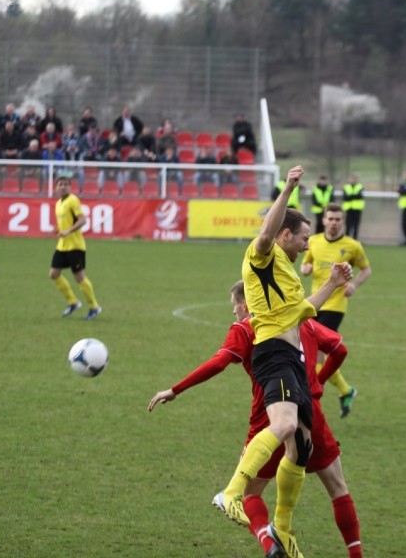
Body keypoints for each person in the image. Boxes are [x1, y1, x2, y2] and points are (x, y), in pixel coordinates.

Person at [147, 281, 364, 558]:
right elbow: (340, 350)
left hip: (269, 416)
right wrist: (314, 387)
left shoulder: (247, 328)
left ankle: (267, 540)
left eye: (234, 307)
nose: (234, 314)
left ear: (246, 305)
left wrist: (175, 389)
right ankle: (350, 553)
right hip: (311, 414)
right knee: (337, 487)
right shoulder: (302, 322)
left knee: (251, 494)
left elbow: (219, 362)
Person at [215, 165, 353, 557]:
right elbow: (263, 234)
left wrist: (333, 284)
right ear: (286, 235)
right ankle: (232, 493)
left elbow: (305, 310)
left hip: (294, 358)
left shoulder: (289, 274)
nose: (308, 245)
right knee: (286, 424)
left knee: (301, 448)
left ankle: (284, 530)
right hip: (273, 353)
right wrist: (289, 188)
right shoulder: (262, 256)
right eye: (305, 237)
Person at [300, 203, 371, 417]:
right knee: (315, 359)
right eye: (330, 219)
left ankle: (313, 394)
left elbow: (366, 269)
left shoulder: (352, 246)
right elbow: (305, 265)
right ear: (323, 220)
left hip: (336, 306)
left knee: (315, 357)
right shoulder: (313, 241)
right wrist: (306, 269)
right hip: (314, 303)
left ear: (343, 221)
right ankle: (345, 390)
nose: (333, 223)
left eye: (337, 219)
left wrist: (354, 284)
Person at [49, 172, 102, 321]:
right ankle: (73, 302)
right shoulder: (58, 203)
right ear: (56, 187)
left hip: (75, 245)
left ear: (70, 187)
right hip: (62, 245)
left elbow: (82, 220)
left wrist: (68, 231)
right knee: (54, 274)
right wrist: (57, 228)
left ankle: (94, 307)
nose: (63, 187)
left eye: (66, 184)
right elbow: (64, 223)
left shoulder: (73, 200)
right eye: (60, 184)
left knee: (79, 277)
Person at [342, 174, 365, 239]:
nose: (353, 180)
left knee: (356, 226)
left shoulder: (360, 186)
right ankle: (346, 239)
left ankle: (355, 240)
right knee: (348, 226)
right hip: (348, 209)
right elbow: (345, 197)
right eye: (351, 179)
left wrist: (351, 196)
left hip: (357, 209)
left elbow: (360, 196)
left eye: (354, 179)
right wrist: (354, 196)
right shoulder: (346, 187)